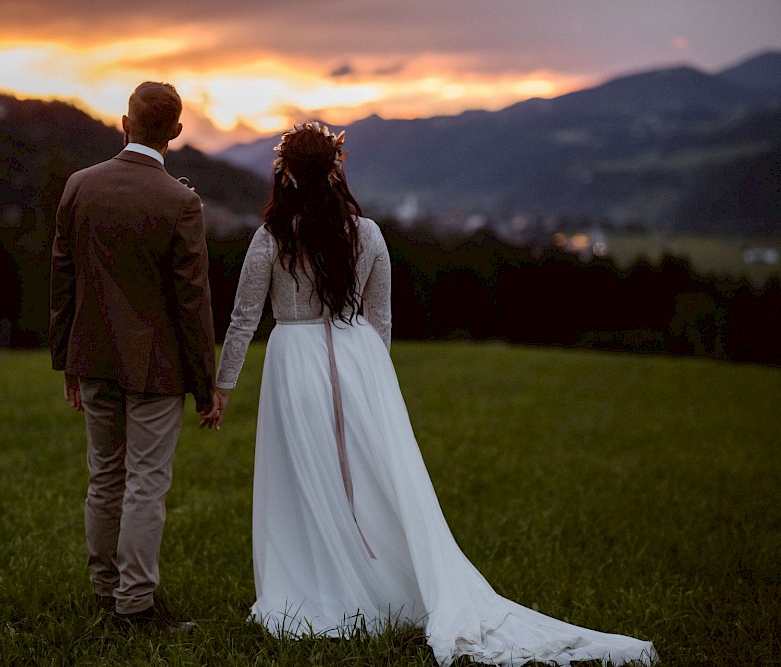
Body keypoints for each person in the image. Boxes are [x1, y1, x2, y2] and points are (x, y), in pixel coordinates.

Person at [202, 122, 657, 665]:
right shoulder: (365, 234)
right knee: (371, 479)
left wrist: (222, 386)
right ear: (336, 170)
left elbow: (244, 317)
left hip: (292, 362)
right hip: (359, 359)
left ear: (284, 173)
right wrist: (374, 381)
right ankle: (371, 579)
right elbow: (381, 317)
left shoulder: (271, 237)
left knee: (304, 477)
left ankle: (322, 585)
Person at [49, 81, 216, 633]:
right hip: (157, 368)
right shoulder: (181, 202)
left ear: (124, 123)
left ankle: (104, 591)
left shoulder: (78, 186)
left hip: (92, 356)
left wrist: (67, 360)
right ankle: (135, 605)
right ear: (175, 132)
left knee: (105, 477)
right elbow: (193, 303)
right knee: (146, 482)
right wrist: (204, 383)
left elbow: (63, 279)